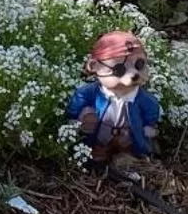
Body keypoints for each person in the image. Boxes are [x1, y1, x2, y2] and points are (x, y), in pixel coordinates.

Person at [67, 30, 161, 164]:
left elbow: (151, 109)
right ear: (94, 66)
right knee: (97, 154)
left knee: (127, 152)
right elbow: (76, 105)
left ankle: (126, 157)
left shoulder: (142, 98)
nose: (133, 74)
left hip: (127, 136)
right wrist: (79, 119)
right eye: (119, 70)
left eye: (139, 65)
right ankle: (96, 155)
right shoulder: (88, 93)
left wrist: (148, 126)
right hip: (100, 134)